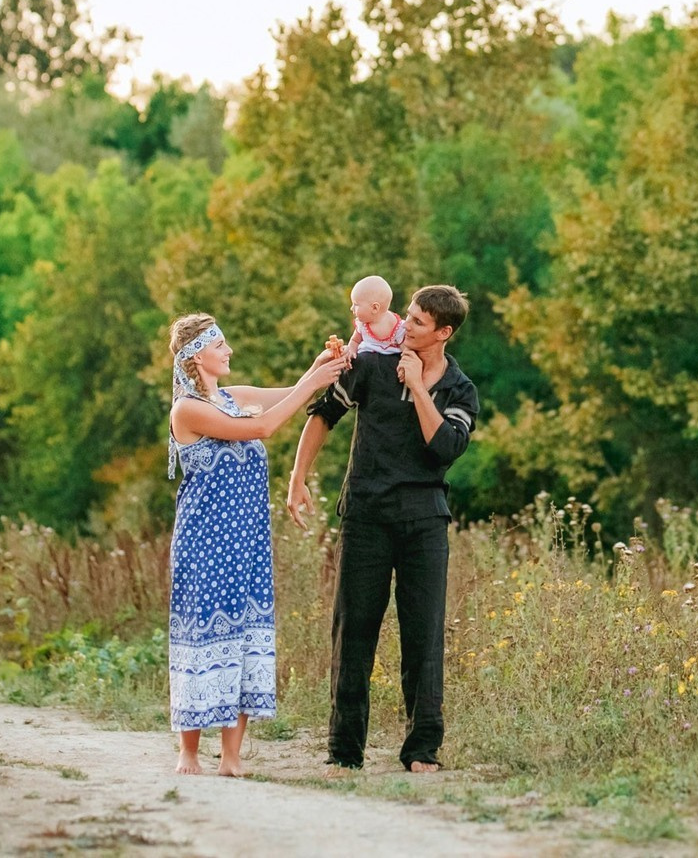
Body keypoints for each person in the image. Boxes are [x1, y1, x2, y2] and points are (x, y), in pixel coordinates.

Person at [286, 284, 478, 772]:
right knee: (353, 632)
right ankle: (344, 752)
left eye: (416, 322)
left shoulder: (459, 388)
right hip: (367, 514)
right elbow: (323, 414)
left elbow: (446, 449)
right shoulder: (371, 364)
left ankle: (421, 750)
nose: (403, 325)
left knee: (423, 635)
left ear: (443, 332)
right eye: (407, 316)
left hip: (424, 521)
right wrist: (298, 477)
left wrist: (417, 387)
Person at [165, 312, 345, 776]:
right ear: (196, 355)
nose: (229, 351)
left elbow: (288, 395)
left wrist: (323, 364)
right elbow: (264, 428)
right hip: (204, 542)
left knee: (245, 639)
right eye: (220, 344)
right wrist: (314, 383)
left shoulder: (235, 397)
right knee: (203, 637)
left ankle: (230, 757)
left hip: (248, 541)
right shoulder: (188, 410)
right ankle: (188, 752)